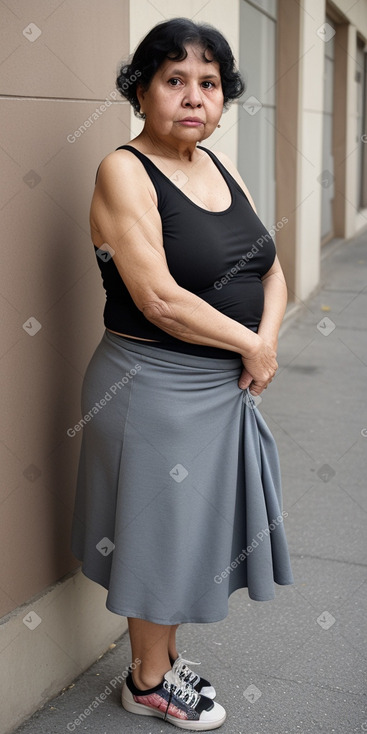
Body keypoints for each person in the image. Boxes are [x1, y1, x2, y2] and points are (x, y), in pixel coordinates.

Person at [71, 17, 293, 731]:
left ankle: (161, 661)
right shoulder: (122, 169)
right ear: (142, 89)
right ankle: (146, 679)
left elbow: (272, 268)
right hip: (152, 388)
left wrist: (262, 339)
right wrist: (252, 351)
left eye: (209, 84)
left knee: (188, 534)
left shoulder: (219, 168)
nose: (195, 97)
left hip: (216, 392)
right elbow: (160, 298)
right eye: (175, 81)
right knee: (162, 539)